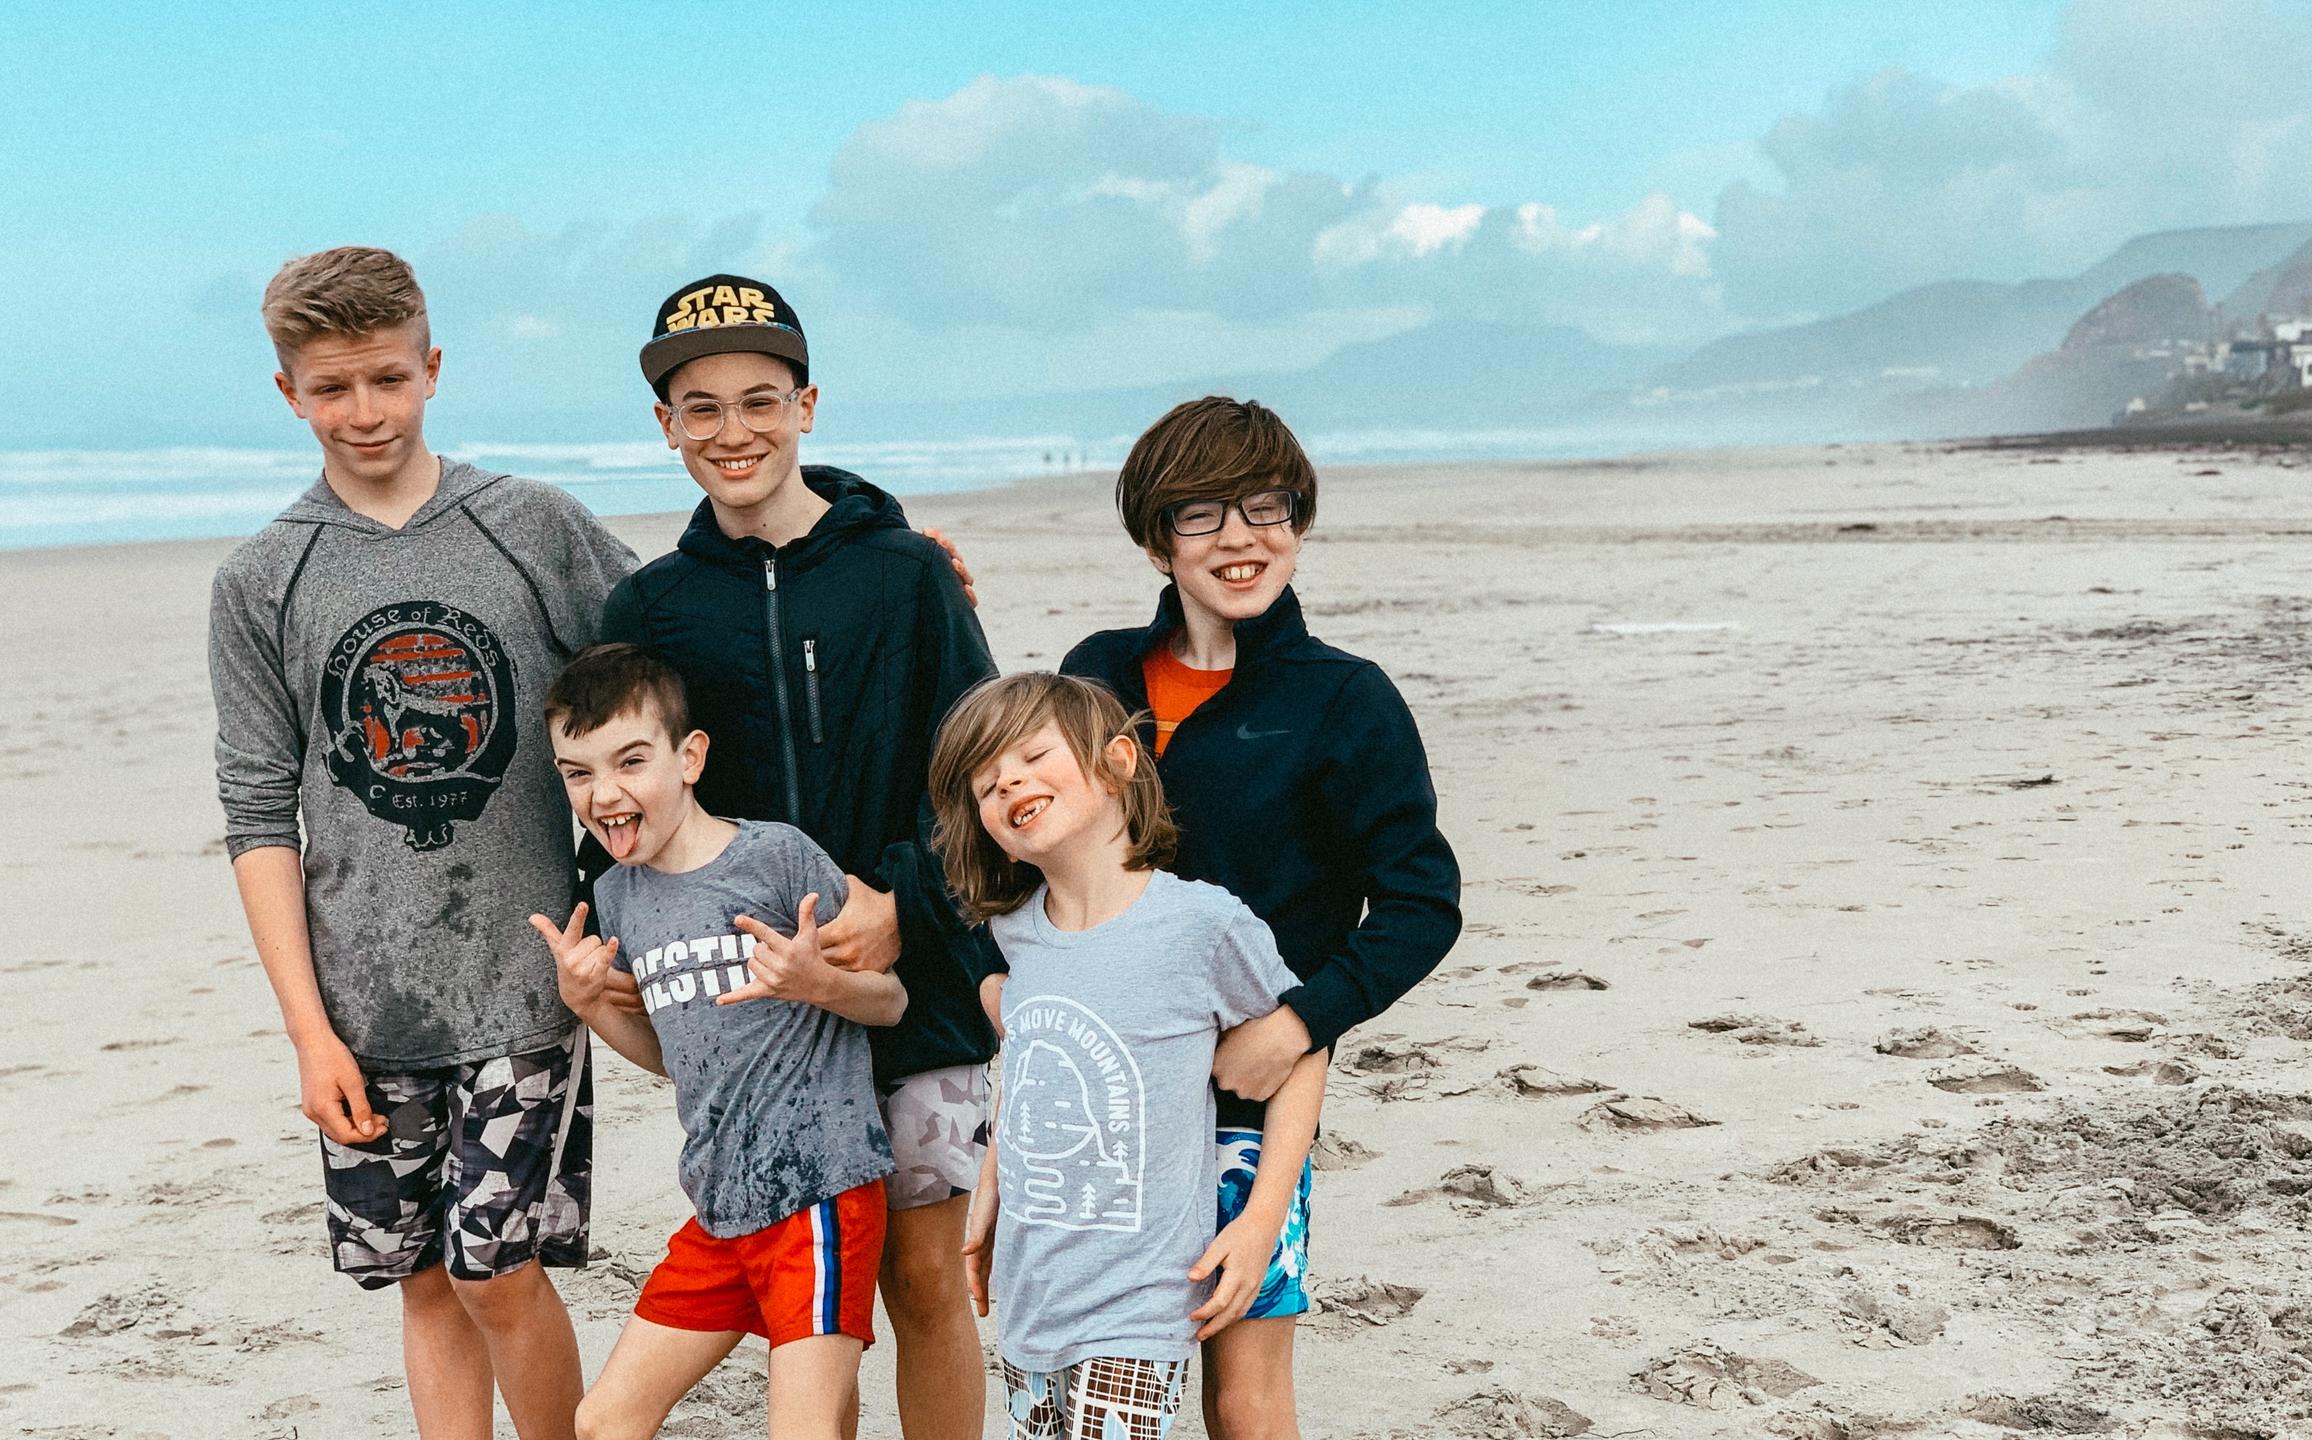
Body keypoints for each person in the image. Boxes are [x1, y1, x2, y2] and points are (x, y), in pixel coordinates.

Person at [207, 245, 637, 1438]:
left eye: (388, 380)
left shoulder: (530, 526)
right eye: (333, 388)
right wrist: (310, 1035)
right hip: (364, 1002)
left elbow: (677, 647)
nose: (365, 413)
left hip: (527, 978)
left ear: (432, 369)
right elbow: (257, 813)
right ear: (288, 392)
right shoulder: (261, 577)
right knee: (427, 1280)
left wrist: (874, 559)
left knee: (497, 1267)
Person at [592, 274, 999, 1439]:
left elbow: (976, 766)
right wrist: (613, 947)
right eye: (701, 408)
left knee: (920, 1278)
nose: (734, 431)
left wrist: (903, 904)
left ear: (806, 406)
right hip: (758, 1008)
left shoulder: (906, 575)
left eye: (759, 400)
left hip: (914, 979)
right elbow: (620, 799)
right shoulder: (649, 605)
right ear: (665, 425)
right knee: (808, 1303)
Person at [1058, 396, 1463, 1439]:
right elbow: (1018, 849)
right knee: (1101, 1385)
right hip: (1102, 1086)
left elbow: (1419, 902)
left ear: (1298, 520)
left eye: (1264, 507)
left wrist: (1297, 1024)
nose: (1239, 537)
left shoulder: (1344, 699)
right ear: (1157, 541)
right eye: (1200, 514)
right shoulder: (1096, 675)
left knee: (1243, 1394)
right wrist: (999, 985)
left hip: (1253, 1100)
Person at [930, 673, 1327, 1440]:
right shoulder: (1016, 939)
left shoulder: (1200, 924)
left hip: (1139, 1305)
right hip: (1030, 1299)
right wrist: (994, 1185)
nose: (1007, 781)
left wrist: (1262, 1221)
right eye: (985, 783)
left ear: (1116, 763)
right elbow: (1032, 1077)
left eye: (1031, 757)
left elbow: (1301, 1049)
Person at [530, 644, 903, 1439]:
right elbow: (675, 1055)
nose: (604, 793)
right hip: (720, 1204)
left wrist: (819, 983)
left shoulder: (776, 857)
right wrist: (589, 1004)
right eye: (577, 773)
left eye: (631, 761)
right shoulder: (615, 897)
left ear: (690, 757)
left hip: (819, 1193)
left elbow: (892, 1001)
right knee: (602, 1421)